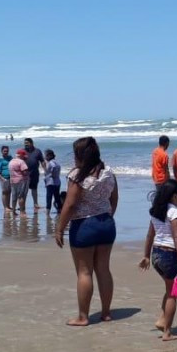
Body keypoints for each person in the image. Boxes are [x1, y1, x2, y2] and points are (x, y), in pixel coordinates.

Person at [54, 136, 119, 327]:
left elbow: (71, 203)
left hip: (84, 226)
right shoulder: (108, 172)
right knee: (104, 269)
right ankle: (106, 312)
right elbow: (114, 198)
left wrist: (59, 228)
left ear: (80, 155)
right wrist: (107, 216)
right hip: (106, 223)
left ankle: (83, 316)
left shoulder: (77, 175)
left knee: (84, 272)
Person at [139, 179, 177, 341]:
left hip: (157, 254)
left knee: (172, 288)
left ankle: (163, 320)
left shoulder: (157, 211)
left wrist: (146, 256)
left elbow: (150, 235)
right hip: (171, 256)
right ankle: (167, 331)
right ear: (174, 196)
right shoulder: (175, 212)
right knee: (174, 293)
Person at [23, 138, 46, 211]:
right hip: (24, 174)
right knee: (24, 190)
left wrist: (45, 170)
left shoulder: (37, 151)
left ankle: (35, 204)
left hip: (34, 173)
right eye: (25, 143)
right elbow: (18, 161)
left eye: (27, 143)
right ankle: (22, 204)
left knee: (34, 189)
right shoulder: (23, 151)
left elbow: (42, 161)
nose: (26, 144)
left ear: (31, 143)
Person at [9, 149, 30, 217]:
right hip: (21, 180)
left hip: (12, 180)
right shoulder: (21, 162)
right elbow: (24, 172)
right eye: (24, 155)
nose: (25, 157)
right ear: (21, 155)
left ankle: (14, 211)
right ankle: (22, 212)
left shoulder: (11, 161)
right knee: (21, 196)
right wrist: (28, 174)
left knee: (14, 196)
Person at [0, 145, 14, 214]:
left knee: (9, 191)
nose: (6, 152)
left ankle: (8, 206)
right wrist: (1, 178)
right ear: (1, 151)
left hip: (11, 177)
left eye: (7, 151)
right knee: (4, 192)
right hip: (3, 177)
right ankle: (5, 207)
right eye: (4, 151)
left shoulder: (10, 158)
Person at [44, 149, 63, 215]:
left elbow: (49, 172)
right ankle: (60, 209)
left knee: (49, 197)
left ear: (49, 156)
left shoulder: (50, 163)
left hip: (50, 182)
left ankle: (47, 211)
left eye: (46, 156)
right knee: (57, 196)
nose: (45, 157)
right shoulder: (57, 163)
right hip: (57, 182)